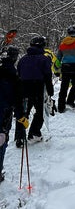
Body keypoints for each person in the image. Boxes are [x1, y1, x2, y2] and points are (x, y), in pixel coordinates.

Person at [16, 36, 54, 144]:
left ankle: (19, 137)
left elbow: (18, 74)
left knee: (24, 112)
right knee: (40, 112)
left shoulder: (22, 59)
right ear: (42, 46)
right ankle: (34, 133)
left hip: (23, 87)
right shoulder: (44, 59)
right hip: (38, 87)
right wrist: (50, 91)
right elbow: (47, 76)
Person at [0, 46, 28, 182]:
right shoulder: (14, 75)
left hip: (4, 111)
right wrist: (21, 116)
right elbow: (18, 98)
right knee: (1, 141)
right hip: (4, 113)